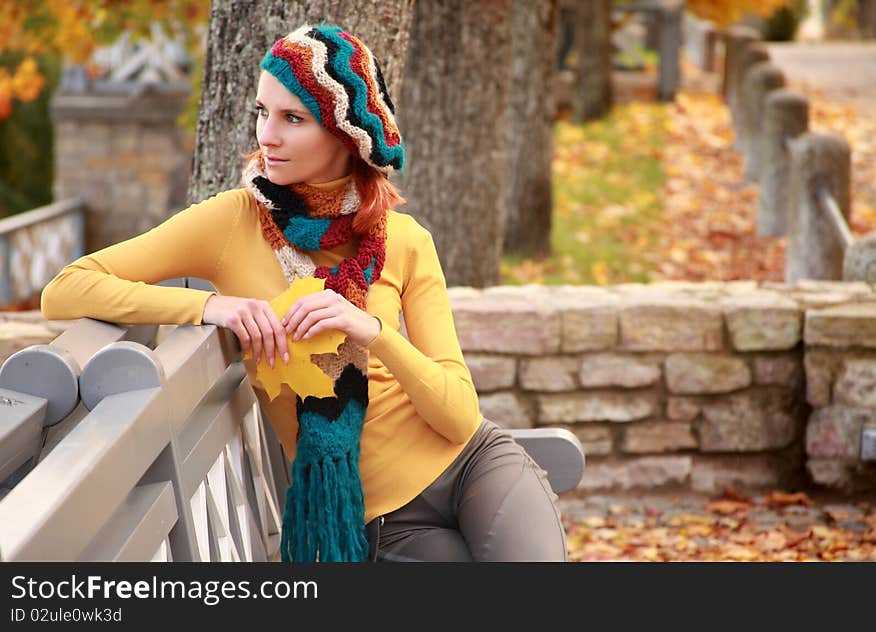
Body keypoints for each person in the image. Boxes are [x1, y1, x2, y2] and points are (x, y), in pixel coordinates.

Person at [41, 24, 567, 562]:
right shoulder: (231, 222)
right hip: (384, 523)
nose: (267, 136)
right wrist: (209, 305)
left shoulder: (403, 239)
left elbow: (458, 415)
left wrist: (372, 331)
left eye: (293, 118)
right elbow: (66, 289)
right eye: (262, 112)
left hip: (475, 464)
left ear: (346, 135)